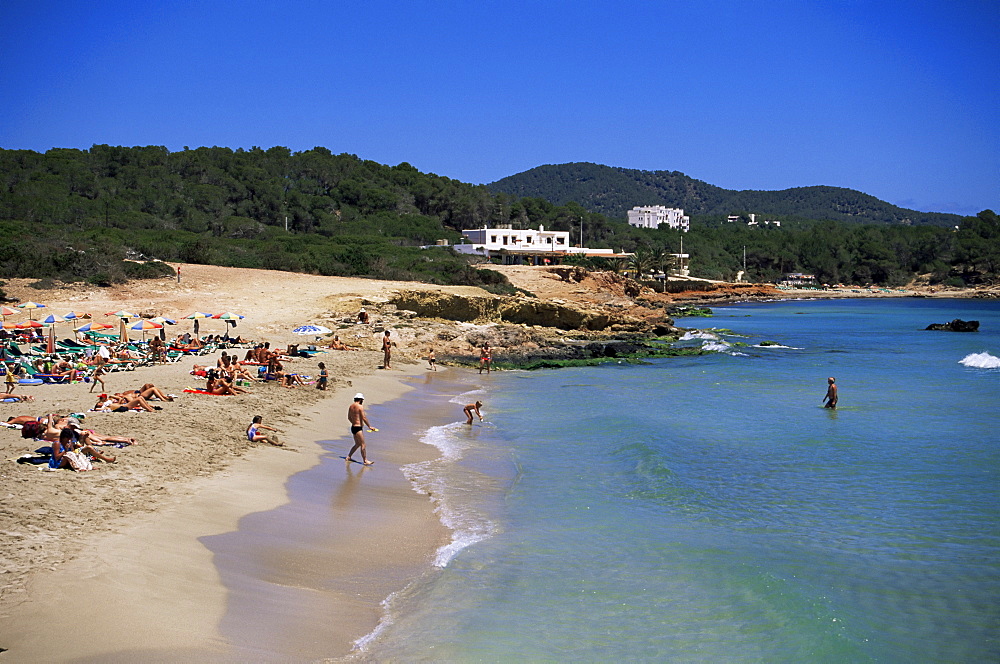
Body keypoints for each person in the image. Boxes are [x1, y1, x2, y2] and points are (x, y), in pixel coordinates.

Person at [346, 393, 375, 465]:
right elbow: (364, 417)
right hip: (358, 428)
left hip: (353, 427)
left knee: (357, 444)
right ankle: (365, 460)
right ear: (361, 399)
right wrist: (369, 426)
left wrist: (354, 423)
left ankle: (349, 456)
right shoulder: (360, 406)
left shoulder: (351, 406)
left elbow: (349, 417)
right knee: (363, 444)